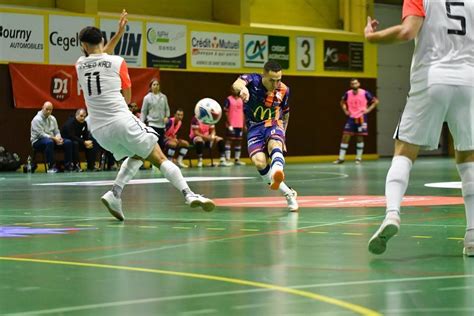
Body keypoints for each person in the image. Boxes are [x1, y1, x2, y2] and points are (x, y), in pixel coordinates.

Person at [75, 12, 214, 221]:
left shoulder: (80, 64)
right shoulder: (117, 62)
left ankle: (115, 194)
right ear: (102, 40)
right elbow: (127, 90)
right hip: (120, 120)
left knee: (138, 154)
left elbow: (100, 56)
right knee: (159, 158)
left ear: (84, 46)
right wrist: (128, 103)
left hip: (99, 130)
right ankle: (188, 194)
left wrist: (119, 33)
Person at [365, 0, 474, 256]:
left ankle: (392, 214)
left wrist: (371, 38)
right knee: (468, 157)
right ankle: (472, 236)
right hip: (469, 82)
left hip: (432, 77)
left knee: (404, 150)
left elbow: (406, 32)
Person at [232, 60, 298, 212]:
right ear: (264, 76)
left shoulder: (284, 90)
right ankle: (288, 193)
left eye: (279, 80)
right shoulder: (252, 80)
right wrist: (243, 90)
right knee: (259, 162)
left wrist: (284, 135)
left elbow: (286, 113)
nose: (276, 84)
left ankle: (276, 171)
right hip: (254, 127)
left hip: (273, 123)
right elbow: (236, 84)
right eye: (272, 80)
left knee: (274, 145)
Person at [333, 79, 379, 164]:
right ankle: (341, 158)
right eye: (353, 83)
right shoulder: (348, 93)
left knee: (359, 137)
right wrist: (345, 110)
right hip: (351, 117)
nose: (355, 84)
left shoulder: (365, 93)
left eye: (356, 83)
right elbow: (342, 102)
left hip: (361, 117)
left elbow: (375, 101)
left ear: (359, 84)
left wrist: (368, 110)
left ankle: (358, 158)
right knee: (345, 136)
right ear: (351, 85)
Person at [30, 101, 73, 173]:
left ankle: (68, 166)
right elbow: (41, 134)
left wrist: (58, 138)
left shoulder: (53, 118)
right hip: (38, 141)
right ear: (42, 108)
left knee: (68, 142)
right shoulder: (36, 119)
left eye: (50, 110)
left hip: (52, 139)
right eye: (47, 109)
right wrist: (54, 138)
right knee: (49, 142)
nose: (48, 111)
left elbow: (56, 131)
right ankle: (51, 167)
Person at [140, 79, 170, 149]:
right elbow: (143, 111)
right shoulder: (147, 98)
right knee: (153, 144)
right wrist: (141, 123)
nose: (156, 86)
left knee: (161, 145)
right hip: (152, 124)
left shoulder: (163, 97)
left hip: (161, 125)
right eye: (154, 85)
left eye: (157, 84)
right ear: (151, 87)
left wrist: (167, 116)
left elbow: (167, 109)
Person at [223, 90, 246, 166]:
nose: (235, 91)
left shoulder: (241, 100)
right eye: (233, 89)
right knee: (229, 140)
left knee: (238, 141)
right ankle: (227, 159)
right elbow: (226, 112)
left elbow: (243, 112)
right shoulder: (228, 99)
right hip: (231, 124)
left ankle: (237, 159)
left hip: (239, 124)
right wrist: (229, 123)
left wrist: (243, 124)